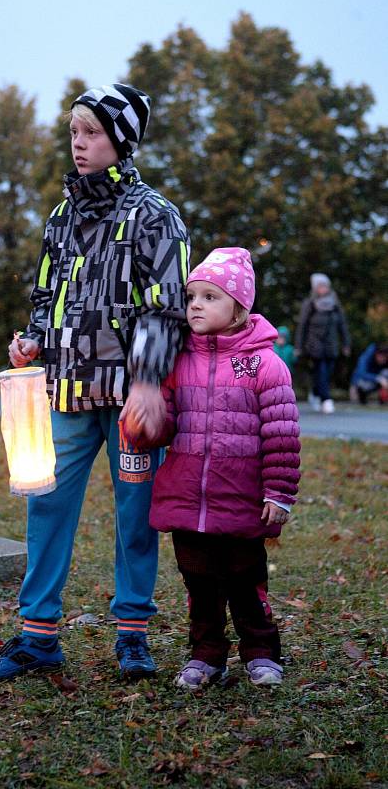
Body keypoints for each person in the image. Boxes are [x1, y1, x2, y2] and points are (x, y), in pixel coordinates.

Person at [0, 83, 190, 681]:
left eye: (92, 133)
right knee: (45, 506)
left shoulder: (157, 217)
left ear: (122, 141)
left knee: (136, 518)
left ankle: (133, 638)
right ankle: (38, 636)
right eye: (74, 132)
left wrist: (148, 383)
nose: (79, 144)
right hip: (65, 393)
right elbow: (47, 296)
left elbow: (167, 306)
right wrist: (33, 337)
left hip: (131, 402)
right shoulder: (61, 218)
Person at [123, 247, 301, 689]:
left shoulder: (265, 365)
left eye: (210, 297)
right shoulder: (178, 360)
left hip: (240, 499)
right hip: (187, 497)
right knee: (199, 583)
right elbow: (161, 425)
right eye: (192, 297)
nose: (196, 305)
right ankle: (206, 655)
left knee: (245, 580)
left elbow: (282, 435)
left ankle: (261, 652)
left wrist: (278, 492)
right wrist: (142, 426)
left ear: (239, 308)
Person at [294, 273, 351, 414]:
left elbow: (342, 325)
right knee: (321, 371)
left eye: (325, 285)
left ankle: (315, 392)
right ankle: (326, 400)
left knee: (327, 372)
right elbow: (303, 326)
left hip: (331, 344)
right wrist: (299, 346)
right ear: (315, 288)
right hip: (314, 345)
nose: (323, 288)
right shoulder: (310, 304)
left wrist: (346, 343)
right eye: (320, 286)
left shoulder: (335, 304)